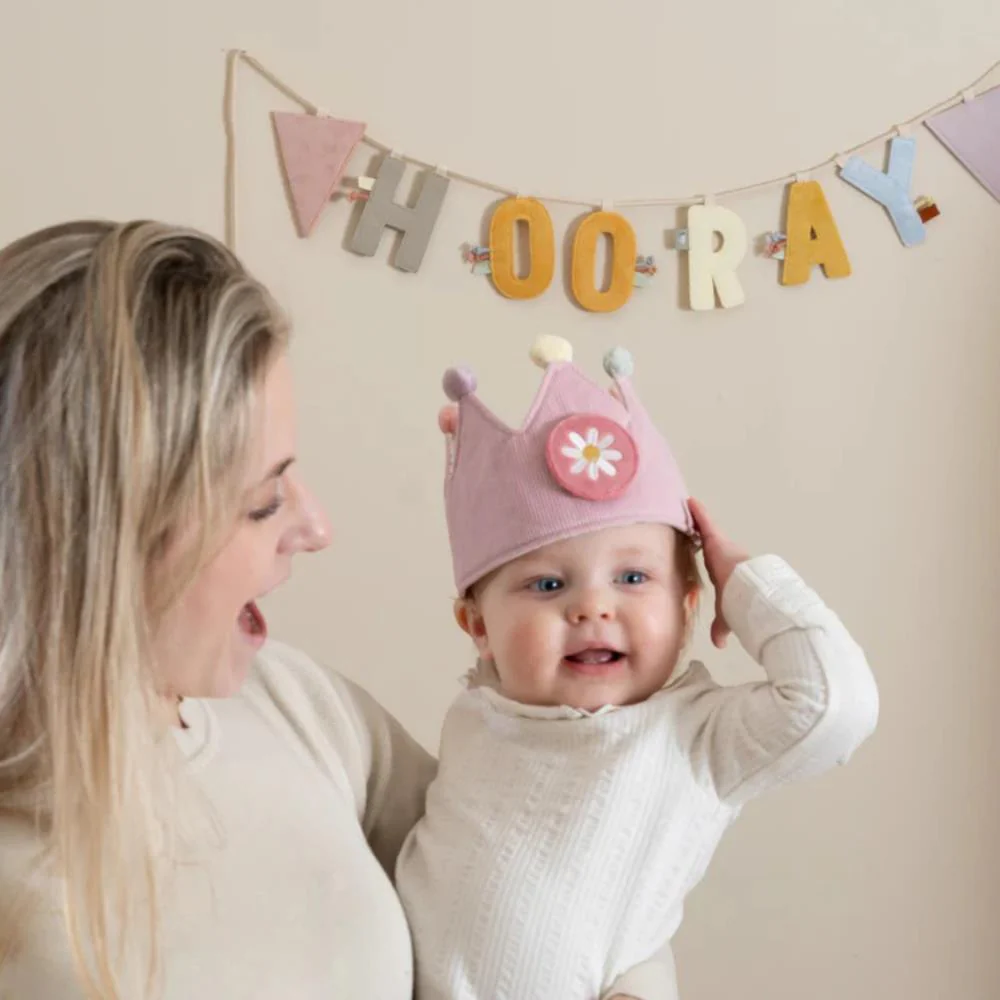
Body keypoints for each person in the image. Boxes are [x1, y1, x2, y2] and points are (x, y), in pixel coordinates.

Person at [0, 220, 438, 999]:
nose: (316, 528)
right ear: (102, 545)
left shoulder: (303, 705)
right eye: (264, 503)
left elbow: (549, 849)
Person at [395, 336, 881, 1000]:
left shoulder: (695, 738)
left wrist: (741, 583)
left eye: (632, 577)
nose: (593, 606)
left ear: (687, 610)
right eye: (545, 586)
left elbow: (836, 704)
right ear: (478, 627)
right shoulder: (478, 718)